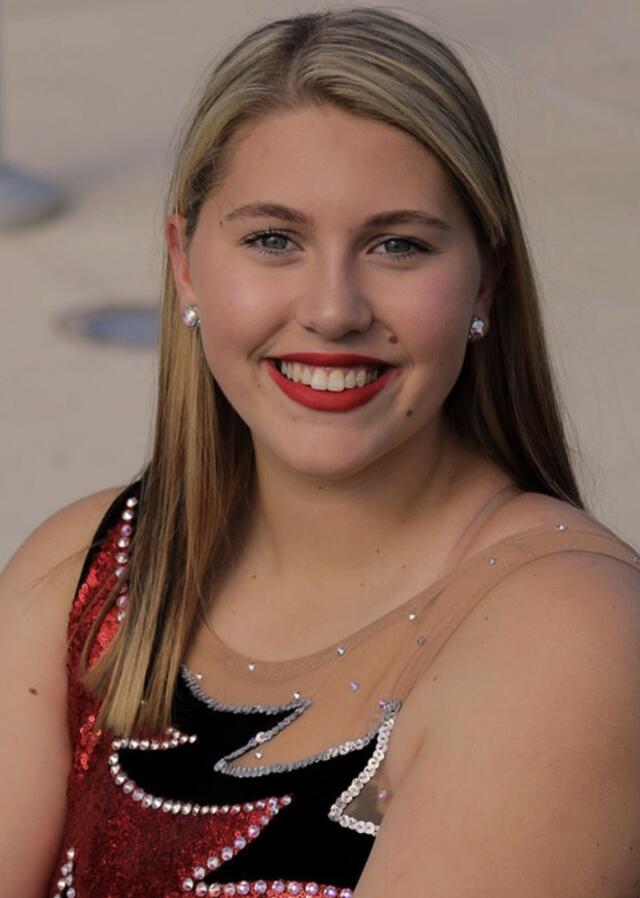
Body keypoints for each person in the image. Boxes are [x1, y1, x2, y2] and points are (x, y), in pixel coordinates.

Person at [2, 7, 640, 897]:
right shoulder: (84, 570)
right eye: (274, 239)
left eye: (398, 245)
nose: (334, 309)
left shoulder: (572, 635)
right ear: (185, 262)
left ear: (486, 276)